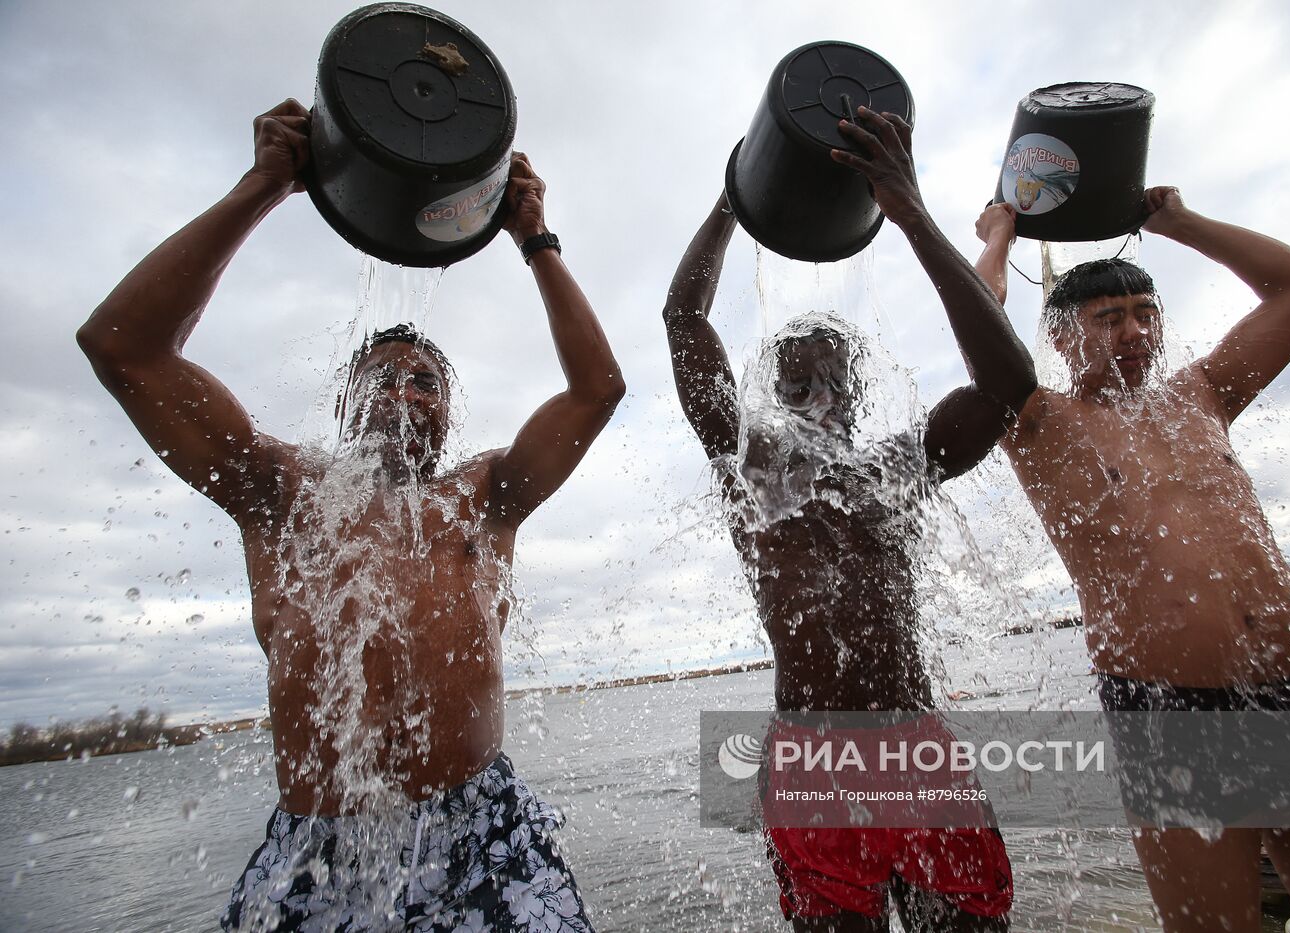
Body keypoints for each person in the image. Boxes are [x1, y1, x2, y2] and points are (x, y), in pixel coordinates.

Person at [76, 99, 623, 932]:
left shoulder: (482, 496)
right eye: (381, 378)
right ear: (344, 403)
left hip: (484, 833)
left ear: (447, 411)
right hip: (318, 848)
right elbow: (122, 344)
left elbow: (597, 390)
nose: (402, 394)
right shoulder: (280, 491)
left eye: (425, 382)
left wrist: (533, 237)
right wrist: (262, 187)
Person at [973, 192, 1290, 931]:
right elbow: (977, 325)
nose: (1136, 331)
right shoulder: (1041, 421)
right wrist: (999, 234)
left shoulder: (1201, 394)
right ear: (1063, 338)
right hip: (1171, 712)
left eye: (1146, 312)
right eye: (1110, 318)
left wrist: (1176, 222)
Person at [663, 106, 1034, 933]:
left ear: (860, 396)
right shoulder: (751, 469)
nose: (817, 395)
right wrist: (736, 195)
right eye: (795, 383)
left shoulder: (898, 465)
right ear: (769, 396)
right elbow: (684, 320)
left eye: (834, 379)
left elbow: (1009, 382)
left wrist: (909, 213)